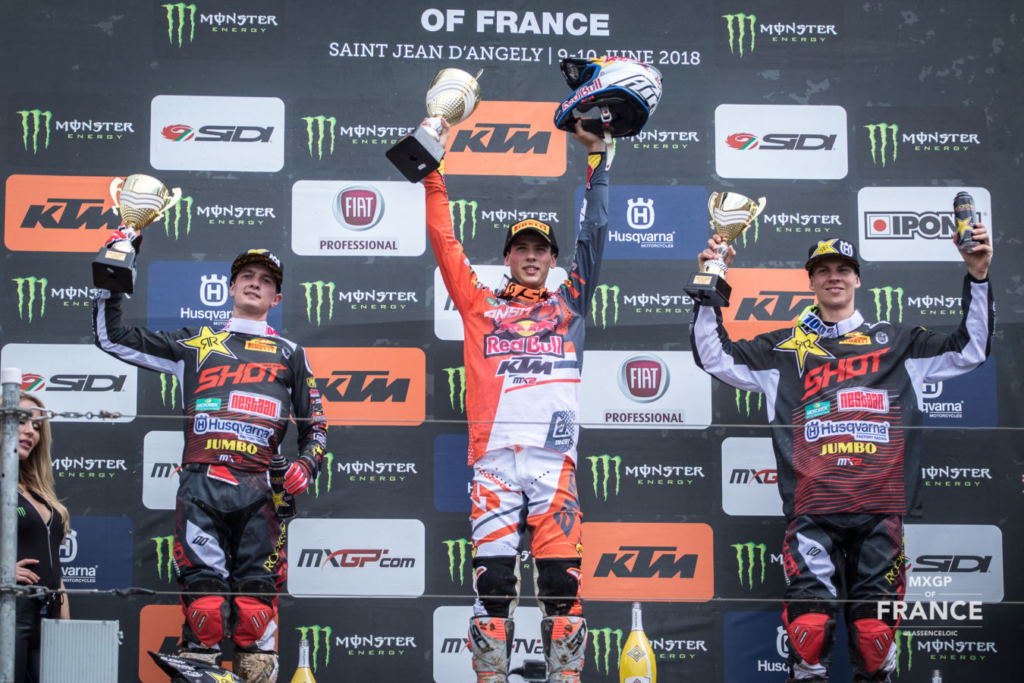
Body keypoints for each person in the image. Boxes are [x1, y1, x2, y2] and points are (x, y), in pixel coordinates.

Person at [690, 228, 994, 682]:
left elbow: (971, 349)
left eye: (844, 270)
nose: (834, 277)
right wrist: (711, 278)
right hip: (812, 511)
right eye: (824, 270)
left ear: (857, 279)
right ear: (811, 281)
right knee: (809, 633)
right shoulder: (783, 349)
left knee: (875, 637)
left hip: (879, 510)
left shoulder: (898, 342)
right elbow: (713, 355)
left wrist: (978, 275)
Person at [425, 117, 609, 683]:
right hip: (495, 464)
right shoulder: (479, 305)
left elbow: (595, 231)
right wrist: (433, 173)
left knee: (561, 584)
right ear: (507, 257)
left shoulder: (568, 305)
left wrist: (597, 159)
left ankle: (565, 678)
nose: (532, 256)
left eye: (541, 249)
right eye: (522, 248)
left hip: (554, 463)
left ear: (553, 260)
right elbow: (444, 242)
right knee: (493, 586)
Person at [92, 245, 327, 683]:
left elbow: (316, 425)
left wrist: (307, 465)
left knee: (255, 611)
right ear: (231, 287)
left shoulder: (290, 353)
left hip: (263, 494)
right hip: (202, 487)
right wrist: (115, 271)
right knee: (205, 609)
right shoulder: (195, 344)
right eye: (247, 276)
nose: (255, 283)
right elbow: (113, 337)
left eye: (266, 280)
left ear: (276, 298)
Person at [12, 393, 70, 683]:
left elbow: (55, 570)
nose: (30, 432)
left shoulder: (36, 489)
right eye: (22, 421)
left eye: (36, 426)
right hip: (10, 612)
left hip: (46, 616)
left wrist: (65, 629)